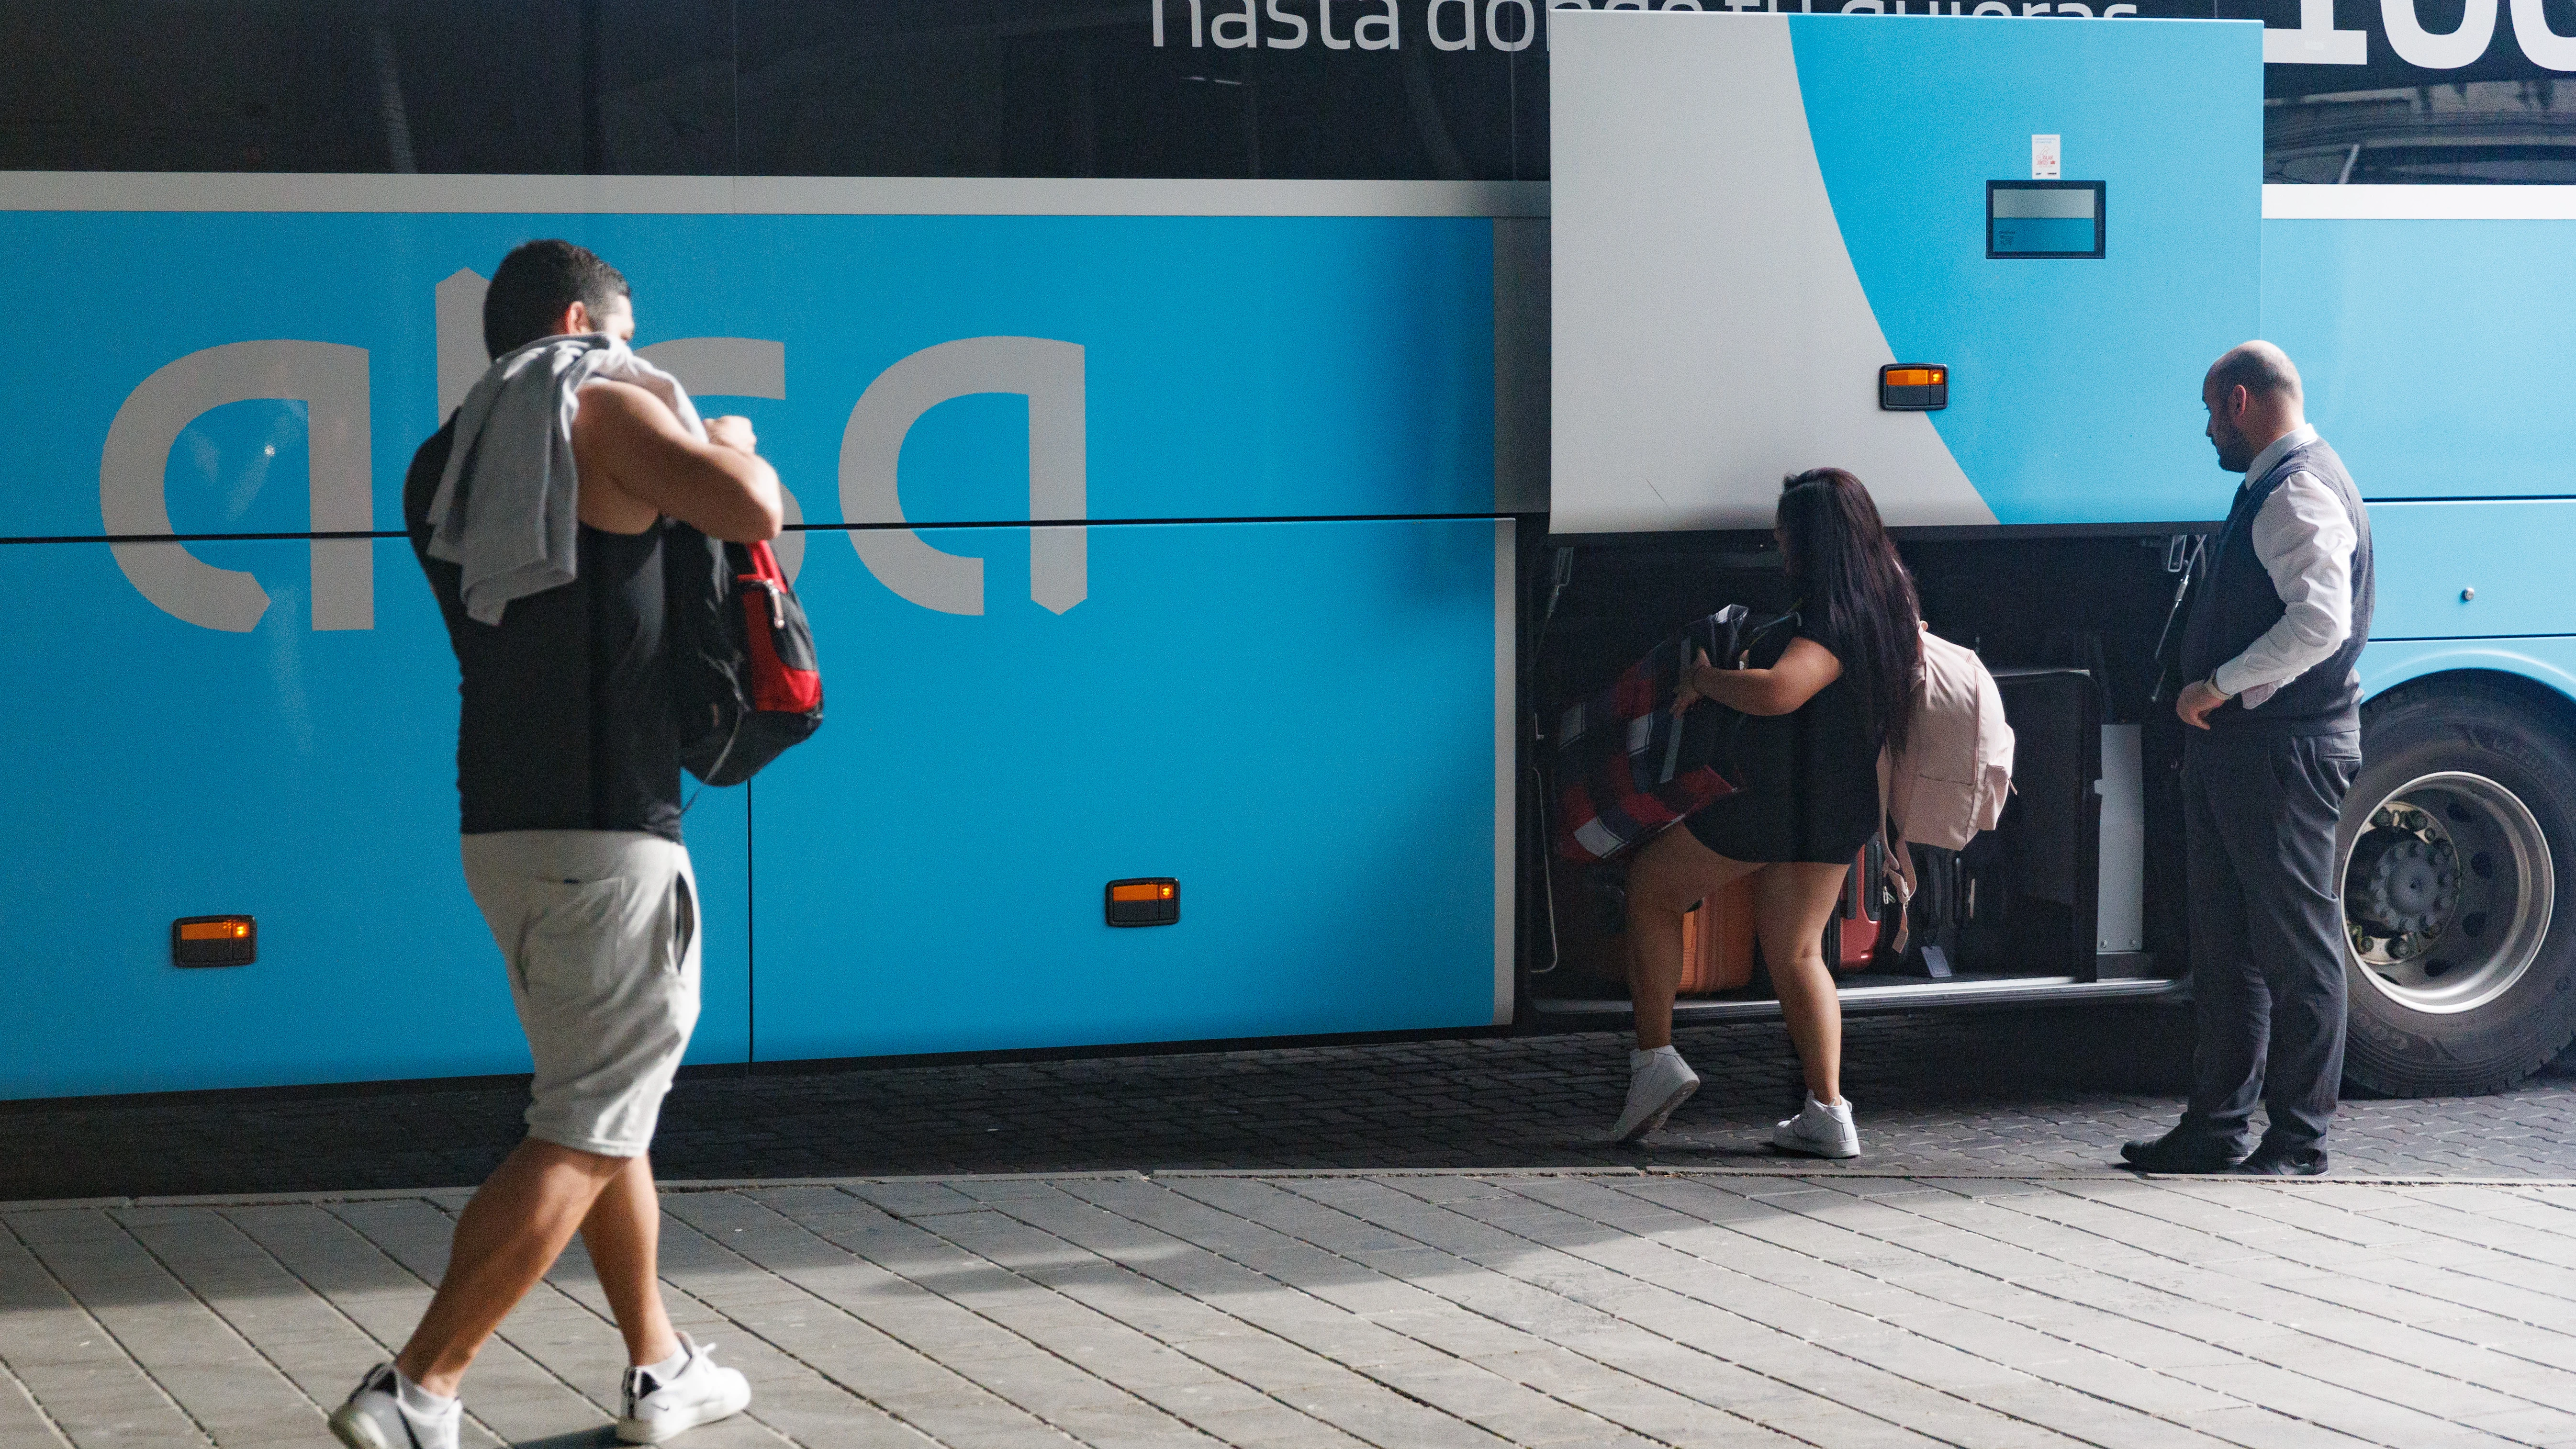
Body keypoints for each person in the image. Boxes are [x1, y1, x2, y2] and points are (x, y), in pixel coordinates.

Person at [329, 241, 784, 1449]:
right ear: (583, 320)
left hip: (505, 826)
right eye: (627, 335)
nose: (637, 359)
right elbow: (753, 510)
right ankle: (418, 1383)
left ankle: (659, 1364)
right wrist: (731, 444)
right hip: (613, 827)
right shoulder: (599, 405)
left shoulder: (451, 453)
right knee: (584, 1121)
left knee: (595, 1098)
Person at [1611, 469, 1925, 1154]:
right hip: (1835, 804)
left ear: (1815, 538)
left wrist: (1706, 680)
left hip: (1779, 799)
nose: (1778, 540)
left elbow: (1783, 690)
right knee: (1798, 950)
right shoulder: (1885, 602)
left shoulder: (1833, 616)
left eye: (1787, 530)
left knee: (1651, 891)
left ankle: (1654, 1060)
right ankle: (1827, 1112)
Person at [2123, 341, 2373, 1179]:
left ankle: (2298, 1140)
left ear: (2239, 400)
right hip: (2249, 752)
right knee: (2226, 946)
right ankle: (2217, 1127)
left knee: (2295, 951)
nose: (2205, 432)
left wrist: (2219, 685)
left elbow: (2319, 623)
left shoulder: (2296, 488)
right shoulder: (2285, 481)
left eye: (2207, 412)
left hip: (2278, 749)